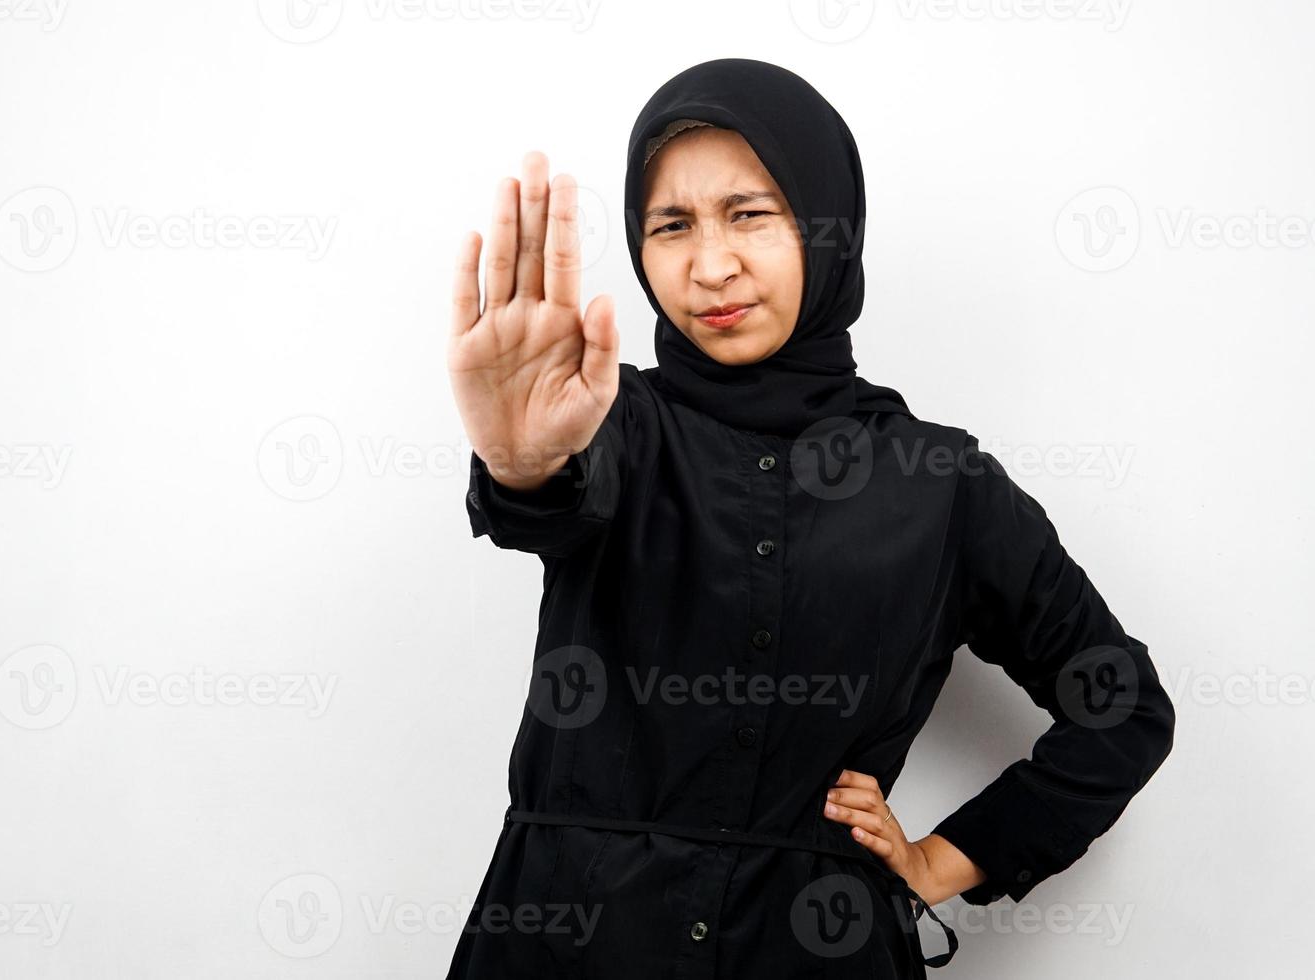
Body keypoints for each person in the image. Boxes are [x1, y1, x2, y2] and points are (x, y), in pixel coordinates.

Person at [444, 57, 1175, 979]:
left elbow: (1123, 709)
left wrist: (941, 861)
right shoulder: (605, 419)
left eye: (750, 214)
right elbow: (544, 502)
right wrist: (520, 460)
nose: (711, 266)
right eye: (672, 226)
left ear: (828, 224)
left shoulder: (938, 479)